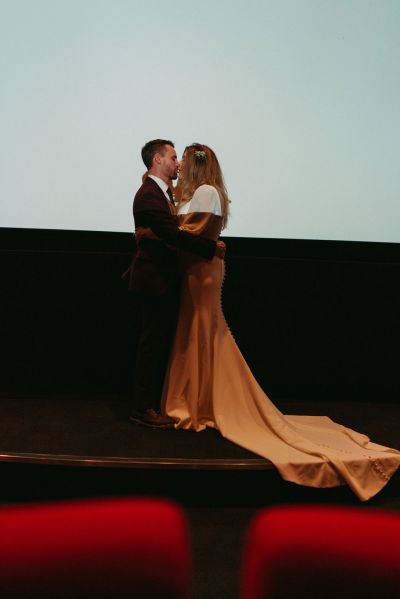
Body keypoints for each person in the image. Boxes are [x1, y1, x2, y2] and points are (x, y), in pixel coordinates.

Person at [149, 142, 399, 501]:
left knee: (204, 331)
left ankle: (201, 401)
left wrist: (164, 229)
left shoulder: (205, 192)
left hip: (201, 273)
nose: (180, 168)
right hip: (196, 272)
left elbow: (193, 233)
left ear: (197, 166)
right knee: (198, 331)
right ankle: (197, 398)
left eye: (184, 162)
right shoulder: (203, 192)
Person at [123, 139, 225, 429]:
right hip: (154, 279)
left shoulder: (163, 193)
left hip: (163, 278)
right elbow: (172, 234)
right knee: (152, 343)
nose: (177, 163)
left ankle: (154, 403)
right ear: (157, 159)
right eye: (172, 156)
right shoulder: (148, 195)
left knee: (158, 341)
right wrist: (211, 248)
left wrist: (151, 234)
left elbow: (166, 232)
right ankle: (143, 408)